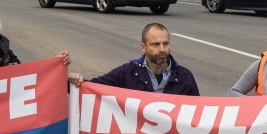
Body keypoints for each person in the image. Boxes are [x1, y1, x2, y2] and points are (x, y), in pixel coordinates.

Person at [70, 22, 200, 95]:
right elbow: (92, 88)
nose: (162, 49)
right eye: (155, 44)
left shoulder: (185, 76)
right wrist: (74, 81)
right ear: (143, 47)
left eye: (165, 43)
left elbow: (198, 114)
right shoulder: (127, 73)